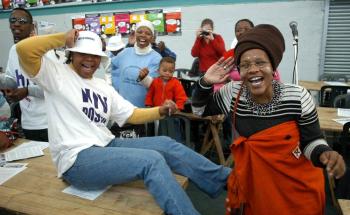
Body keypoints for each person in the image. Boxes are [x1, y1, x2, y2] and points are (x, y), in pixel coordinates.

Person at [15, 29, 231, 215]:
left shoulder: (102, 86)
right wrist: (62, 38)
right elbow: (24, 49)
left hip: (104, 144)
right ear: (71, 54)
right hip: (76, 160)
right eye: (83, 54)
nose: (90, 60)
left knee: (166, 144)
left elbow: (131, 115)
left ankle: (227, 181)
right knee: (151, 160)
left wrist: (161, 111)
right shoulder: (56, 75)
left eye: (95, 55)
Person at [191, 24, 346, 215]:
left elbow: (311, 141)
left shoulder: (297, 96)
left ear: (273, 67)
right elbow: (199, 111)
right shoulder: (232, 93)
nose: (253, 69)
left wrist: (324, 153)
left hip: (297, 190)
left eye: (260, 63)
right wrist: (205, 82)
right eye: (245, 65)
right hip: (258, 185)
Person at [3, 8, 48, 141]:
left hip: (49, 123)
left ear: (32, 26)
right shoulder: (13, 51)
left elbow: (53, 89)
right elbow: (10, 79)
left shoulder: (43, 51)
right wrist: (8, 89)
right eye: (13, 20)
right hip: (28, 124)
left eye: (22, 21)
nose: (16, 24)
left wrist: (27, 91)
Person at [110, 20, 162, 137]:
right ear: (135, 34)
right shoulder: (125, 53)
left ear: (152, 37)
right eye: (140, 32)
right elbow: (111, 66)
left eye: (148, 33)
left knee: (143, 148)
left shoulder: (156, 58)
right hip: (122, 110)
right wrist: (115, 87)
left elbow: (154, 86)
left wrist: (144, 78)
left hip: (144, 113)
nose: (143, 35)